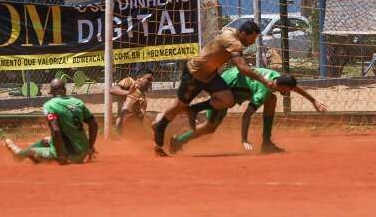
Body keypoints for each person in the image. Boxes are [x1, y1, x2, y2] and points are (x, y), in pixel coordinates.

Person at [152, 21, 276, 156]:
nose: (252, 43)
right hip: (195, 73)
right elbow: (243, 68)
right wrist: (264, 80)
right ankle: (161, 125)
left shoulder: (231, 32)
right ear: (243, 34)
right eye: (252, 39)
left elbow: (225, 30)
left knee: (227, 100)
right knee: (178, 106)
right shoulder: (234, 43)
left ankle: (194, 109)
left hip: (210, 75)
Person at [169, 67, 327, 154]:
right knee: (210, 128)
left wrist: (313, 101)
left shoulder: (277, 78)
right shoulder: (263, 91)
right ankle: (178, 140)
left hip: (234, 80)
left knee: (272, 99)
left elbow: (293, 86)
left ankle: (266, 143)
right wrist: (244, 140)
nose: (290, 92)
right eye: (288, 90)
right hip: (225, 88)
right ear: (281, 86)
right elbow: (246, 115)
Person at [4, 79, 98, 164]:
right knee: (45, 140)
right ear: (64, 90)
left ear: (52, 92)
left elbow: (56, 130)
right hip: (83, 151)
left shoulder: (50, 105)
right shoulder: (78, 102)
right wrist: (90, 146)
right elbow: (94, 124)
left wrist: (60, 155)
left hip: (70, 156)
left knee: (31, 152)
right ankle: (38, 154)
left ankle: (20, 155)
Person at [110, 68, 153, 132]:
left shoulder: (144, 100)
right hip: (123, 126)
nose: (150, 83)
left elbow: (140, 120)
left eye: (151, 81)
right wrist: (128, 92)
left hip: (134, 130)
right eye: (148, 79)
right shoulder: (129, 82)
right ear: (139, 78)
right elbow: (113, 90)